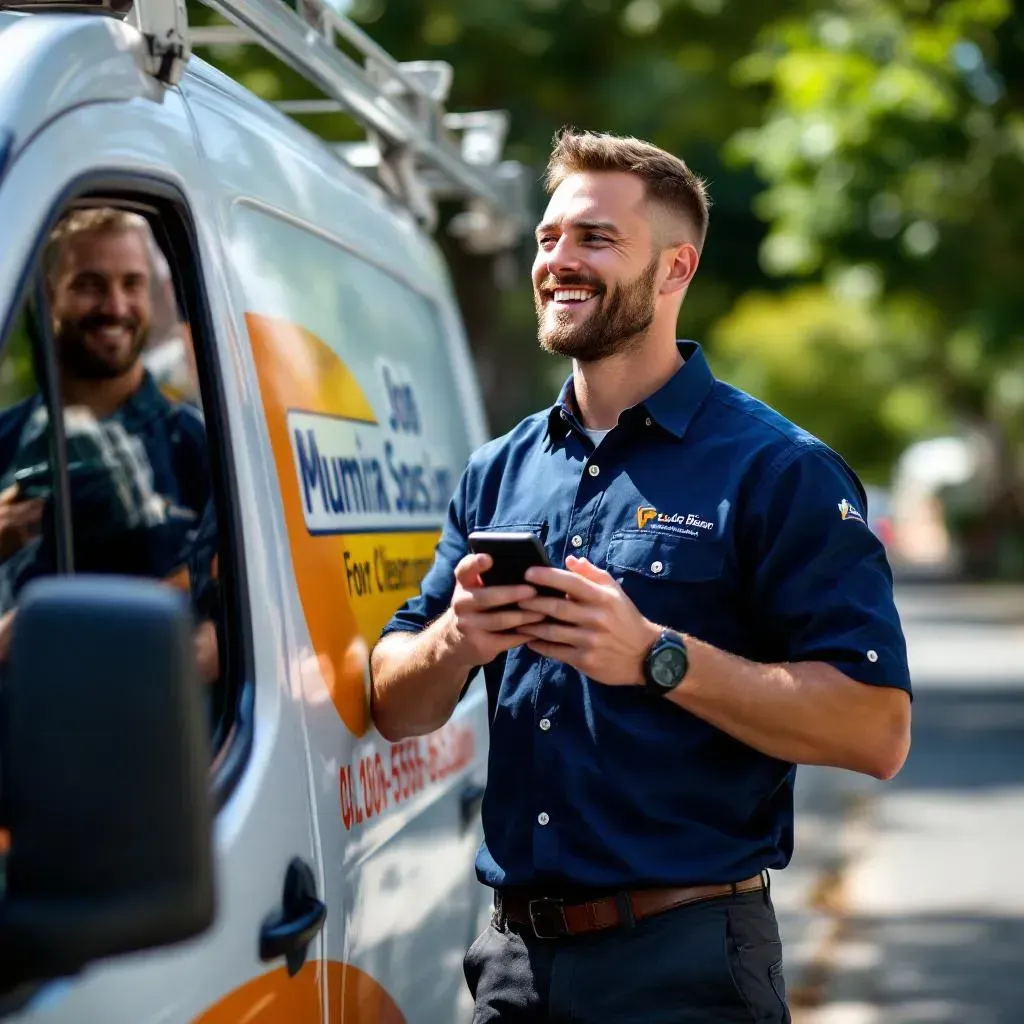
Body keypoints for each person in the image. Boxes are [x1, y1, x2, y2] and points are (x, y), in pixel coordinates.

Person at [369, 130, 913, 1024]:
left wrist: (657, 657)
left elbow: (876, 729)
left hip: (687, 968)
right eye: (547, 239)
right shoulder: (496, 471)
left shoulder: (778, 471)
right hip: (511, 970)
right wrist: (456, 639)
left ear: (674, 270)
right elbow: (398, 704)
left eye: (594, 239)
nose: (557, 262)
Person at [0, 208, 219, 681]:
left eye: (131, 284)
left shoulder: (201, 445)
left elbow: (244, 617)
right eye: (89, 284)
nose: (115, 306)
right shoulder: (7, 440)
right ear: (44, 296)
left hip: (159, 741)